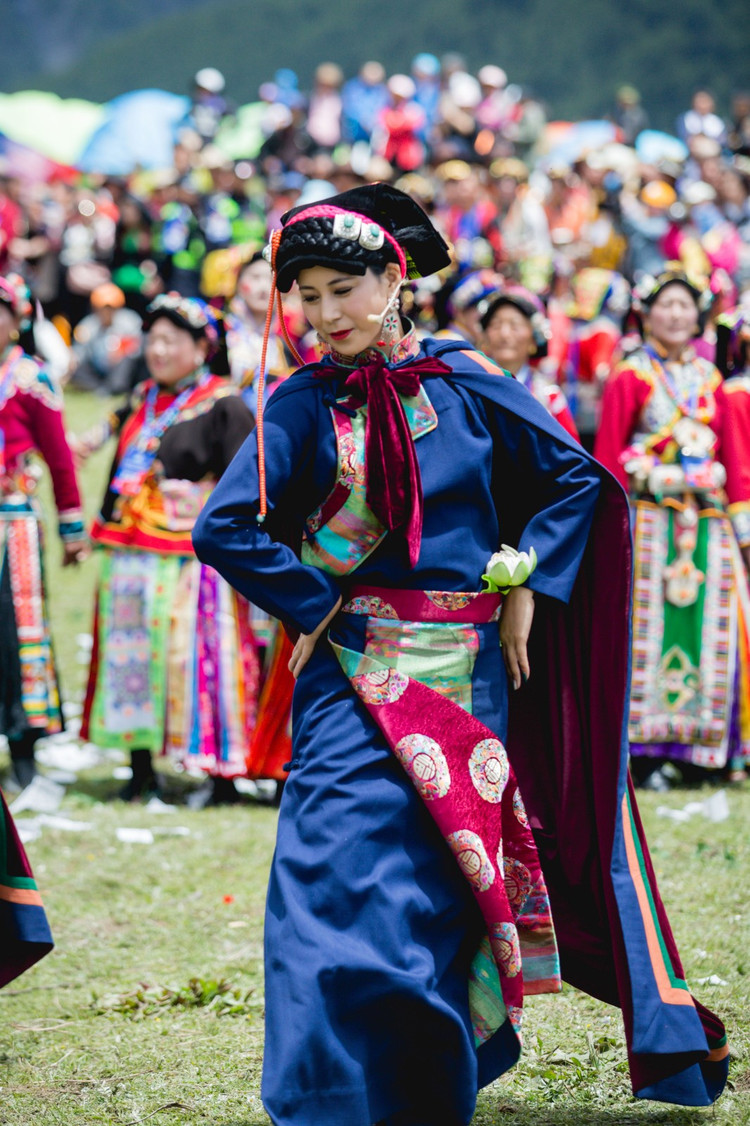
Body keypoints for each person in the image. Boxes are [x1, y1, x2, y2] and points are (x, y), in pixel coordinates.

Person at [193, 184, 727, 1125]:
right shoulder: (301, 402)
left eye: (340, 289)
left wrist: (525, 581)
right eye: (305, 295)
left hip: (470, 673)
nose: (323, 315)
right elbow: (224, 526)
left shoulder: (465, 380)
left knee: (438, 894)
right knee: (322, 877)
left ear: (393, 279)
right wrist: (312, 597)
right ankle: (322, 1097)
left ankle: (419, 1093)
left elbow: (579, 483)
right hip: (351, 676)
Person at [77, 294, 258, 803]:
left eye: (170, 340)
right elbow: (119, 469)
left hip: (193, 559)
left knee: (196, 659)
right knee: (129, 659)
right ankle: (140, 769)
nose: (157, 350)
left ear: (202, 347)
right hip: (131, 555)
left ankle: (219, 774)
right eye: (152, 339)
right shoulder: (143, 400)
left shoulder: (223, 403)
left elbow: (245, 485)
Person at [595, 268, 750, 787]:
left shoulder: (711, 380)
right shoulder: (629, 374)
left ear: (699, 315)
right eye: (667, 306)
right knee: (644, 632)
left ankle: (698, 751)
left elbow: (731, 455)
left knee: (710, 633)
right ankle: (642, 750)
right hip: (647, 523)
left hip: (704, 525)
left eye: (686, 306)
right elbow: (609, 457)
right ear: (646, 313)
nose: (677, 315)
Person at [0, 273, 86, 790]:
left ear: (18, 321)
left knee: (16, 633)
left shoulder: (31, 379)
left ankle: (23, 750)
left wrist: (71, 528)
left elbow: (59, 459)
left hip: (14, 527)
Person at [477, 285, 579, 440]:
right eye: (496, 325)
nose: (504, 334)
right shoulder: (473, 391)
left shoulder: (549, 397)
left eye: (515, 326)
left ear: (534, 338)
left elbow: (572, 456)